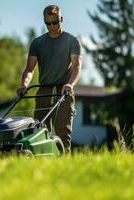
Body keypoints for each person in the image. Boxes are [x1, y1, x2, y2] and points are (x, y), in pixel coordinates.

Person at [16, 4, 82, 152]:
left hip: (64, 92)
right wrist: (24, 84)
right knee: (39, 131)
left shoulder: (72, 41)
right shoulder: (38, 43)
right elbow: (29, 69)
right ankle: (42, 164)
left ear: (61, 19)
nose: (51, 26)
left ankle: (63, 166)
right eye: (48, 23)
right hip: (44, 91)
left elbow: (77, 67)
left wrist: (70, 84)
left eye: (55, 22)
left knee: (63, 133)